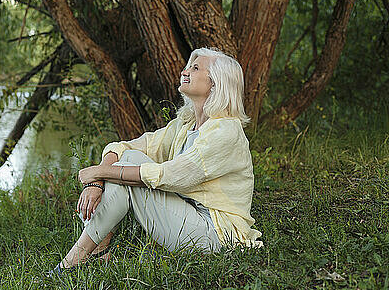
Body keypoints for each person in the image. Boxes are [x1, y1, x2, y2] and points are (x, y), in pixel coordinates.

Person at [50, 47, 263, 274]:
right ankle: (97, 253)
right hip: (187, 215)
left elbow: (171, 176)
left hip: (217, 236)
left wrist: (99, 173)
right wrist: (97, 180)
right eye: (189, 65)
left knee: (128, 168)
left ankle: (72, 262)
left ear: (215, 83)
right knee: (128, 159)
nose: (184, 71)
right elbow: (129, 147)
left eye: (195, 68)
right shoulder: (187, 124)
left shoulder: (225, 131)